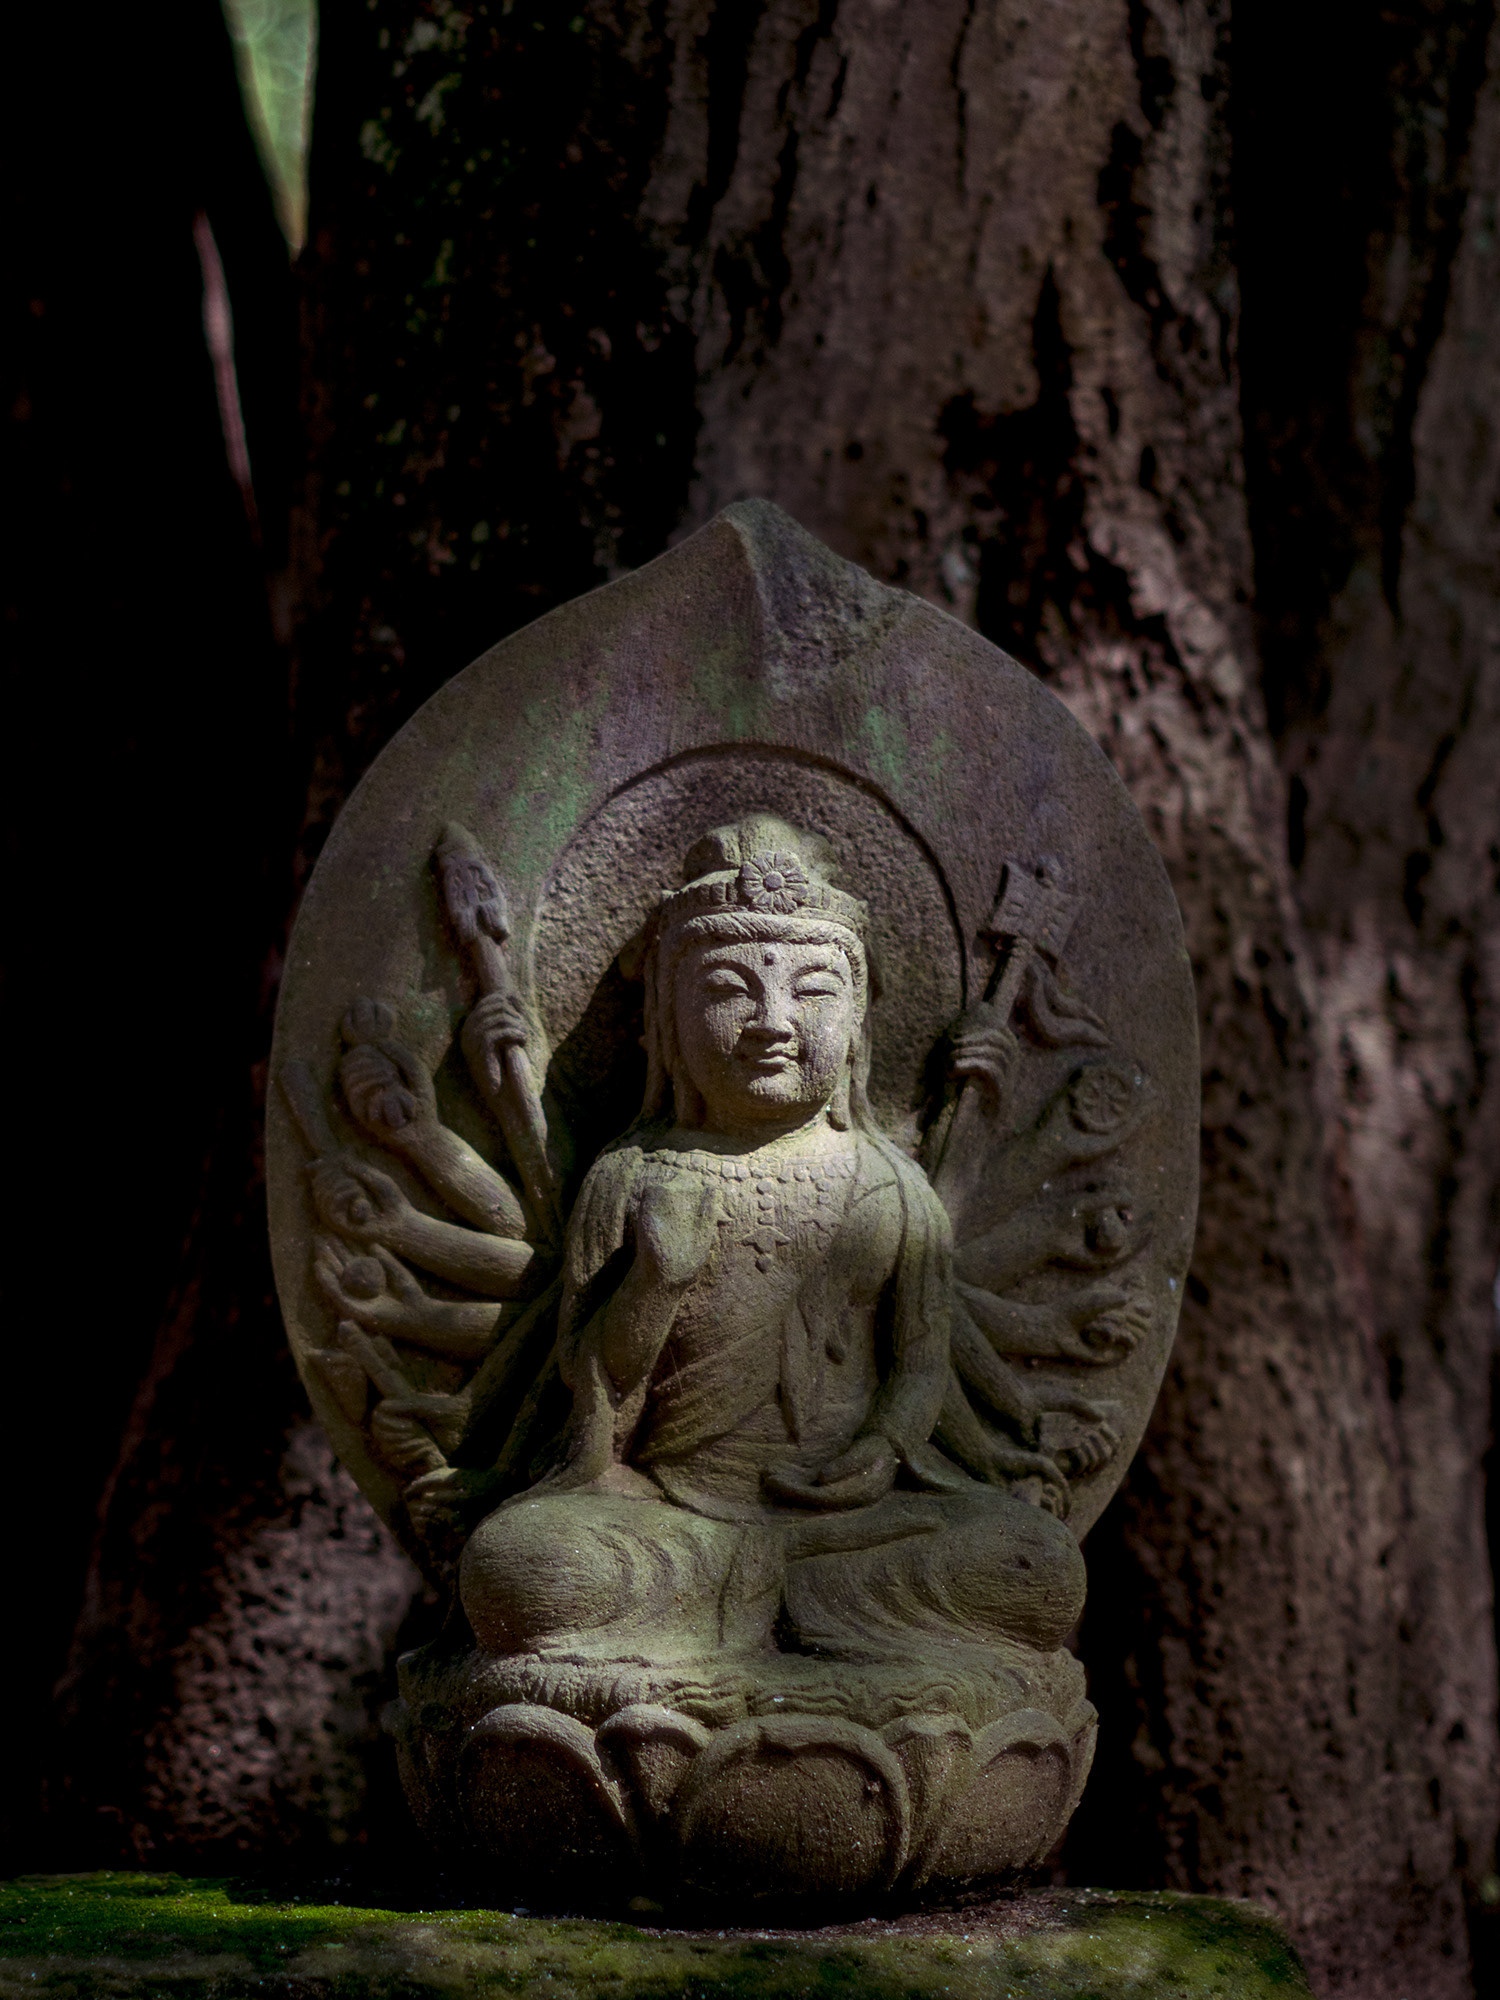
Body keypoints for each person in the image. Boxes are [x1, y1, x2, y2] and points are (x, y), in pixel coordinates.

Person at [457, 815, 1085, 1668]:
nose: (773, 1022)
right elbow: (595, 1392)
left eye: (813, 991)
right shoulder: (633, 1175)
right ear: (669, 1019)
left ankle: (738, 1622)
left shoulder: (892, 1185)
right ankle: (779, 1618)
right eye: (728, 989)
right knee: (523, 1566)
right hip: (671, 1515)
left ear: (856, 1024)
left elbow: (918, 1366)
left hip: (851, 1524)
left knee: (1033, 1565)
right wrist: (654, 1283)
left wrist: (883, 1451)